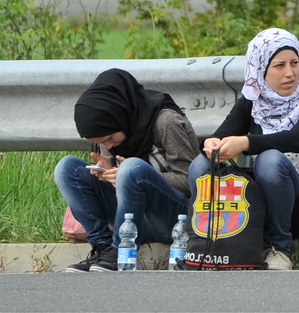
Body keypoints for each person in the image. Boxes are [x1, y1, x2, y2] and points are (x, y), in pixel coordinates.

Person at [188, 28, 299, 270]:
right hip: (260, 206)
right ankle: (207, 242)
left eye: (295, 63)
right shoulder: (251, 101)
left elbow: (297, 139)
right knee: (202, 164)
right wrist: (211, 143)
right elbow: (223, 132)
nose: (290, 73)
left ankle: (279, 249)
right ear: (261, 69)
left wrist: (246, 143)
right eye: (279, 66)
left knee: (270, 160)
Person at [54, 68, 199, 272]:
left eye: (110, 139)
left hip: (172, 219)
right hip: (130, 219)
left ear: (120, 115)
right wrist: (109, 173)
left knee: (131, 168)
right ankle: (103, 247)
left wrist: (135, 174)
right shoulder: (113, 130)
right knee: (67, 167)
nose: (109, 146)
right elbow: (120, 176)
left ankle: (118, 248)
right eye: (101, 143)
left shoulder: (166, 122)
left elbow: (190, 182)